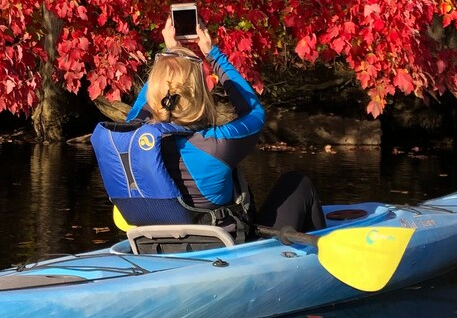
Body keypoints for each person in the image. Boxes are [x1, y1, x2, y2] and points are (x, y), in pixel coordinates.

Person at [117, 14, 327, 235]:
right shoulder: (216, 145)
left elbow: (142, 108)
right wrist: (212, 54)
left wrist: (170, 54)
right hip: (223, 248)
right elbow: (253, 111)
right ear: (198, 93)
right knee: (297, 182)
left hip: (158, 246)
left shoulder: (133, 138)